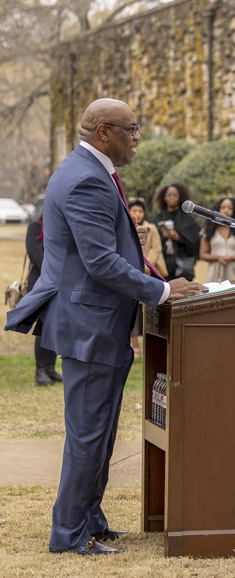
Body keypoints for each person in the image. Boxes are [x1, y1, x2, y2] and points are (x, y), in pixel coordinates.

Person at [5, 98, 205, 555]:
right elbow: (99, 263)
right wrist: (164, 291)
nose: (137, 137)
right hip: (88, 324)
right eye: (131, 129)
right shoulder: (85, 181)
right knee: (88, 434)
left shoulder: (87, 170)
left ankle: (90, 520)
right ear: (102, 132)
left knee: (100, 431)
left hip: (96, 322)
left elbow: (98, 249)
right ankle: (70, 533)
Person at [25, 212, 62, 386]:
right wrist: (54, 269)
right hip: (40, 283)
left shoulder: (60, 226)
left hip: (59, 284)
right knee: (43, 326)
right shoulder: (35, 227)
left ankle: (50, 368)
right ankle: (40, 370)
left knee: (55, 327)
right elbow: (35, 253)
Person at [128, 197, 167, 358]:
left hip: (148, 272)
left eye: (140, 210)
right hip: (131, 274)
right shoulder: (125, 226)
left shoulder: (151, 228)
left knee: (149, 311)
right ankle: (135, 346)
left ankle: (148, 346)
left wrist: (143, 265)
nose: (137, 213)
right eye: (134, 210)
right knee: (133, 311)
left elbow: (157, 250)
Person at [151, 182, 201, 281]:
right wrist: (164, 236)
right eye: (169, 195)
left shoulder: (188, 219)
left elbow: (196, 242)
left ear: (180, 198)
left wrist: (179, 237)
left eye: (175, 195)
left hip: (182, 267)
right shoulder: (157, 219)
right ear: (164, 198)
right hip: (163, 265)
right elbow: (152, 241)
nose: (172, 197)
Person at [198, 197, 235, 281]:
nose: (226, 210)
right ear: (217, 210)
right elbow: (203, 254)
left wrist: (231, 257)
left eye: (230, 208)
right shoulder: (209, 229)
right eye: (223, 207)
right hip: (216, 273)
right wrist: (218, 258)